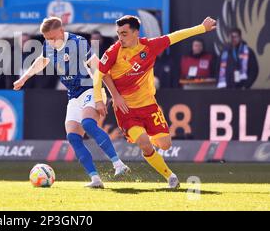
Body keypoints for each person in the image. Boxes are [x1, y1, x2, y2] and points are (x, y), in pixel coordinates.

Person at [93, 15, 217, 189]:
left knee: (165, 145)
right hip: (126, 110)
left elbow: (175, 36)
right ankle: (170, 177)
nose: (120, 38)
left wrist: (201, 28)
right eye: (119, 34)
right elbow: (99, 74)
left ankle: (149, 141)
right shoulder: (114, 51)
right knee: (144, 141)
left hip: (149, 106)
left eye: (124, 33)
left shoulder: (149, 46)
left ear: (136, 32)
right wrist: (102, 99)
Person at [14, 17, 130, 189]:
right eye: (46, 39)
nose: (50, 42)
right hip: (73, 96)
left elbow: (99, 70)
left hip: (90, 89)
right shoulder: (49, 45)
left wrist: (104, 98)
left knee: (88, 124)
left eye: (53, 38)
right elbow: (42, 61)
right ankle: (95, 179)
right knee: (73, 137)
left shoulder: (78, 43)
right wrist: (23, 79)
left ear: (61, 31)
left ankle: (119, 164)